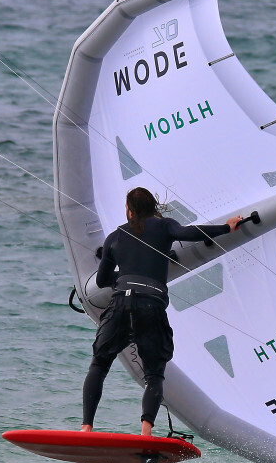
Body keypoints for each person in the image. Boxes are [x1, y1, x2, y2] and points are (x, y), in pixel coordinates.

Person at [81, 187, 243, 436]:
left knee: (100, 364)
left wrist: (124, 277)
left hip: (121, 302)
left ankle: (86, 428)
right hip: (151, 304)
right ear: (152, 207)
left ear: (129, 210)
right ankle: (145, 432)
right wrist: (226, 227)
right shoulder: (165, 226)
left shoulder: (115, 237)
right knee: (154, 373)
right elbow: (190, 233)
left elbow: (102, 280)